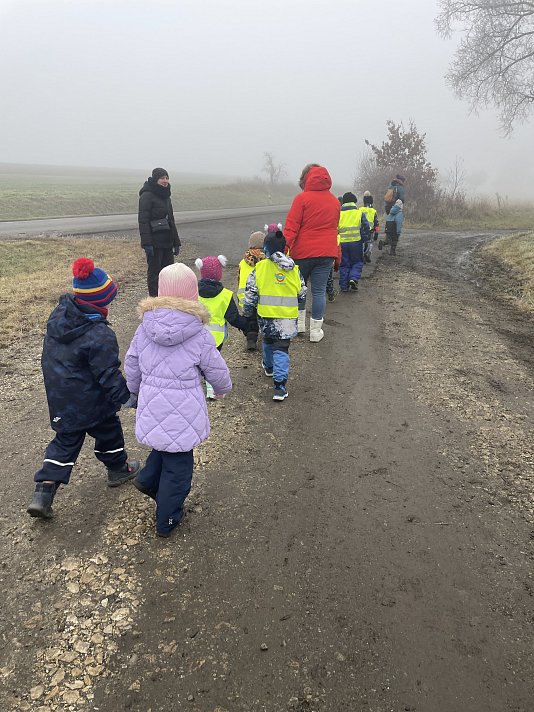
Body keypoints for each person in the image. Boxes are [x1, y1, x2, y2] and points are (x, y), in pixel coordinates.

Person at [125, 263, 232, 538]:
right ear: (193, 295)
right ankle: (168, 519)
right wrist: (222, 388)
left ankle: (148, 480)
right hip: (184, 411)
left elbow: (132, 362)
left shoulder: (145, 327)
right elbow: (215, 368)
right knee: (179, 470)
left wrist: (133, 390)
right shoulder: (199, 332)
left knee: (163, 446)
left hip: (152, 403)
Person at [27, 258, 140, 519]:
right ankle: (118, 469)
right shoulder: (100, 334)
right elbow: (108, 374)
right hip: (94, 403)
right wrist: (128, 398)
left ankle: (43, 492)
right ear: (101, 301)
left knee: (64, 442)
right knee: (109, 434)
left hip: (61, 397)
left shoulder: (59, 317)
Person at [243, 224, 306, 401]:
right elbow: (302, 292)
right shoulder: (294, 269)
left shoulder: (260, 268)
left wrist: (248, 311)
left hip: (266, 315)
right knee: (282, 348)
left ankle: (269, 367)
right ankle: (279, 386)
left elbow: (250, 293)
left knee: (268, 341)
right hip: (287, 318)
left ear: (266, 248)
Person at [284, 164, 340, 343]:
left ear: (306, 179)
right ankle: (315, 332)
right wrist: (337, 256)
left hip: (302, 253)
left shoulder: (301, 199)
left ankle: (299, 325)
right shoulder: (335, 202)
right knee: (319, 291)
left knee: (299, 289)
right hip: (326, 253)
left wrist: (282, 251)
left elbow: (291, 228)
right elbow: (335, 230)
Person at [195, 254, 249, 398]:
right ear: (219, 274)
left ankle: (195, 384)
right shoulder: (225, 295)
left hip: (196, 335)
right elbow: (233, 318)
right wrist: (247, 326)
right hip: (216, 338)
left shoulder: (193, 293)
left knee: (196, 360)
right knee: (212, 363)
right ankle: (211, 388)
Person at [138, 167, 181, 297]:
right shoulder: (147, 195)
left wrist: (176, 242)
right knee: (154, 273)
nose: (165, 180)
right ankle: (155, 301)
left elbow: (171, 220)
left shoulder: (166, 196)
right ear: (155, 179)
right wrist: (147, 243)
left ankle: (167, 299)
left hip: (167, 241)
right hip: (154, 242)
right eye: (162, 178)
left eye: (167, 178)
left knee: (168, 273)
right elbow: (143, 221)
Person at [237, 230, 266, 351]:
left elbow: (239, 279)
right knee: (263, 318)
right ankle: (266, 338)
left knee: (250, 319)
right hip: (263, 298)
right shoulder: (267, 262)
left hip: (245, 298)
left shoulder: (243, 262)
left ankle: (251, 339)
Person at [337, 192, 371, 292]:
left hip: (342, 243)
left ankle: (344, 286)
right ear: (354, 202)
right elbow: (366, 227)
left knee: (344, 264)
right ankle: (353, 278)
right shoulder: (359, 213)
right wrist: (366, 239)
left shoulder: (339, 214)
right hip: (356, 242)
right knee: (357, 262)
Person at [361, 191, 380, 263]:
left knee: (362, 243)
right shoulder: (373, 211)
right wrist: (376, 233)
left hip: (362, 230)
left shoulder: (360, 210)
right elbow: (376, 223)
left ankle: (362, 255)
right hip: (370, 230)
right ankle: (367, 254)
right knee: (369, 243)